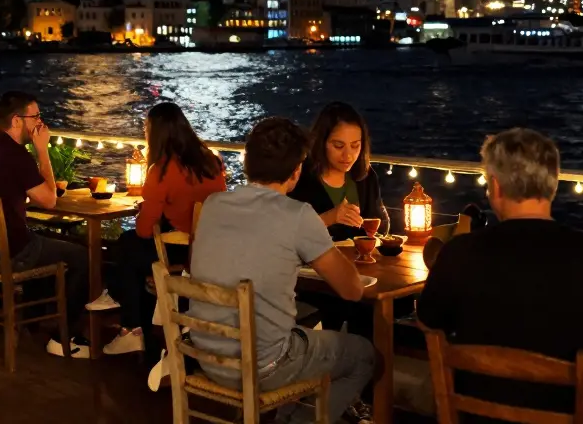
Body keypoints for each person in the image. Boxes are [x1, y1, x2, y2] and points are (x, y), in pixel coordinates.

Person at [417, 128, 583, 423]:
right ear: (552, 186)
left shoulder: (459, 252)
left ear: (496, 187)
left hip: (480, 414)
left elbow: (428, 319)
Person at [189, 117, 374, 424]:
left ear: (248, 161)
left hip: (208, 358)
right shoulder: (297, 215)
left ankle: (286, 415)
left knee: (300, 323)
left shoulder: (213, 204)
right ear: (297, 169)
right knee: (362, 354)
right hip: (265, 366)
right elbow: (352, 290)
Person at [0, 91, 91, 358]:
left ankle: (34, 318)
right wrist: (42, 150)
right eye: (36, 116)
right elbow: (50, 200)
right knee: (82, 255)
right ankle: (63, 337)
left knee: (44, 240)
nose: (40, 123)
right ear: (17, 121)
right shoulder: (16, 155)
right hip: (9, 254)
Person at [91, 102, 225, 356]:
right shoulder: (211, 161)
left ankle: (129, 326)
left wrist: (150, 206)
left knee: (127, 245)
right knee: (131, 254)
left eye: (146, 127)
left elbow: (143, 230)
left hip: (179, 254)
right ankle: (133, 327)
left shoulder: (162, 169)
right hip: (210, 249)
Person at [289, 102, 387, 242]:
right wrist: (328, 218)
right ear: (321, 142)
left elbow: (380, 224)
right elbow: (284, 234)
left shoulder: (366, 176)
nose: (348, 155)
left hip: (359, 261)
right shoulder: (299, 177)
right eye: (338, 146)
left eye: (355, 146)